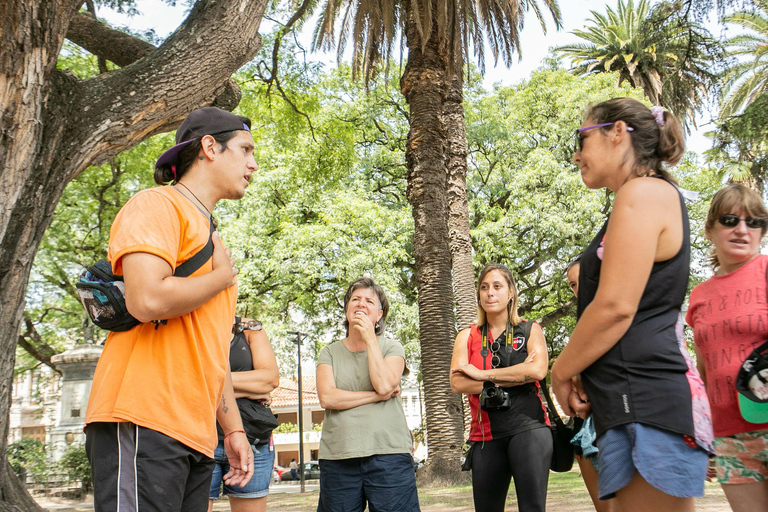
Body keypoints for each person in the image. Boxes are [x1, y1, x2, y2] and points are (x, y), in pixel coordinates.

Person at [85, 107, 257, 511]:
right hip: (142, 417)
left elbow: (211, 351)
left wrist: (233, 430)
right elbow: (145, 300)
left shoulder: (213, 238)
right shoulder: (157, 206)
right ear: (210, 148)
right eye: (246, 150)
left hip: (195, 433)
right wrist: (220, 278)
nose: (253, 164)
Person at [550, 98, 714, 512]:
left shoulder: (643, 192)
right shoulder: (639, 195)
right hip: (628, 400)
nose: (576, 154)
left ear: (617, 132)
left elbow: (615, 307)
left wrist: (562, 370)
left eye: (581, 138)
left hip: (646, 399)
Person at [686, 183, 768, 512]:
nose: (742, 229)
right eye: (730, 220)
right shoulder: (699, 296)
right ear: (710, 229)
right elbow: (703, 368)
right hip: (729, 434)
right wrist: (703, 434)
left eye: (755, 221)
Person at [450, 263, 551, 512]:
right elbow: (458, 382)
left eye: (497, 286)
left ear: (511, 293)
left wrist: (482, 375)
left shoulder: (530, 329)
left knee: (532, 508)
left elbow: (537, 371)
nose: (490, 293)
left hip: (529, 428)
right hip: (484, 436)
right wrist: (518, 374)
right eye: (484, 287)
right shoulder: (466, 335)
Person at [315, 277, 420, 512]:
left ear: (379, 315)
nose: (361, 304)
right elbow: (328, 398)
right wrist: (375, 397)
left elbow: (383, 384)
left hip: (389, 455)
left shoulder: (392, 348)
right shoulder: (329, 352)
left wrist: (370, 340)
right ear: (346, 309)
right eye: (355, 299)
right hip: (339, 456)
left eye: (369, 301)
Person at [208, 316, 280, 512]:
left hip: (252, 440)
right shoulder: (190, 326)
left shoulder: (250, 327)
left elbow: (270, 379)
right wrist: (250, 389)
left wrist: (214, 384)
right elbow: (188, 384)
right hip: (202, 440)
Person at [566, 257, 619, 512]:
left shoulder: (622, 314)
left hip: (620, 425)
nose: (579, 290)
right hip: (587, 430)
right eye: (573, 285)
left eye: (583, 281)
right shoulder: (581, 328)